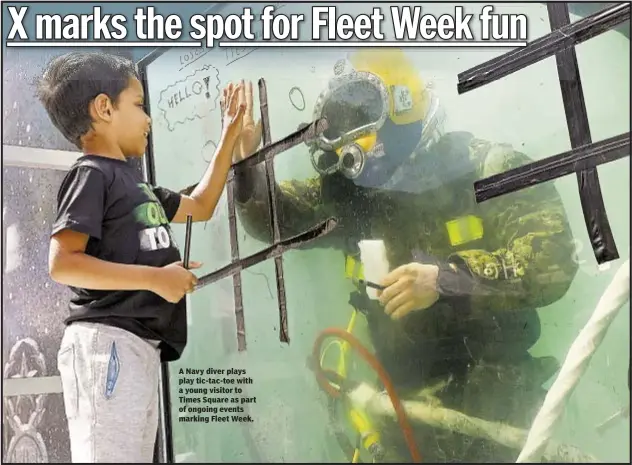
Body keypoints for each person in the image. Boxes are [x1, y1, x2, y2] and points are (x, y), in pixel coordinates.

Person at [232, 49, 579, 462]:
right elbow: (276, 220)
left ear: (400, 105)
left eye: (359, 114)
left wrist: (446, 280)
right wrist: (246, 164)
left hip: (499, 417)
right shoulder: (353, 199)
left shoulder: (484, 167)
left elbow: (552, 261)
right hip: (404, 418)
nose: (348, 136)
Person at [38, 51, 248, 463]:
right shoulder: (91, 175)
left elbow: (201, 206)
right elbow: (62, 263)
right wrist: (154, 279)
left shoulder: (137, 185)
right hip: (107, 344)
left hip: (136, 347)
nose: (148, 118)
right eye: (138, 105)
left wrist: (229, 134)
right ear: (103, 108)